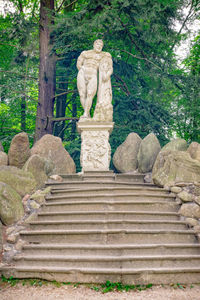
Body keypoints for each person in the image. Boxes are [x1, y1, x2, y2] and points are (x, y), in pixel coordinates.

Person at [77, 39, 112, 119]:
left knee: (90, 94)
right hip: (83, 72)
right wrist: (82, 69)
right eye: (97, 44)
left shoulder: (105, 55)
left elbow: (110, 67)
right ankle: (87, 113)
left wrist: (107, 74)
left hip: (93, 74)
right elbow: (79, 63)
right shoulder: (86, 53)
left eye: (101, 45)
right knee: (82, 94)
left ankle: (86, 113)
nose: (99, 46)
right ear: (94, 45)